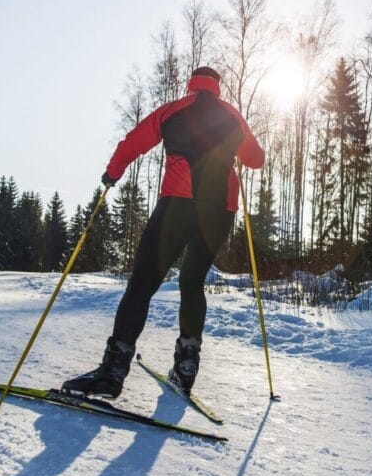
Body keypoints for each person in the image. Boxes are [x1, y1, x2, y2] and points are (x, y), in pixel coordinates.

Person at [62, 66, 264, 399]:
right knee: (192, 281)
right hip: (220, 210)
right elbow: (256, 159)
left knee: (143, 282)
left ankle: (112, 373)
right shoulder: (232, 116)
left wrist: (112, 174)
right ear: (218, 88)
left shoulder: (174, 109)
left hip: (178, 206)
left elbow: (133, 143)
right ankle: (185, 369)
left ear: (193, 84)